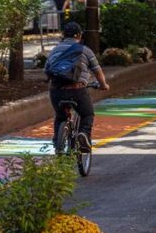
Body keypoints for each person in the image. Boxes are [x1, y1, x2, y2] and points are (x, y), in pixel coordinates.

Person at [46, 22, 110, 153]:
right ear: (80, 36)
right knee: (87, 114)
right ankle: (84, 134)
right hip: (77, 90)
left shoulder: (54, 50)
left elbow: (46, 70)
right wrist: (103, 85)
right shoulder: (84, 50)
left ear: (63, 35)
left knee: (60, 116)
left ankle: (57, 142)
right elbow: (97, 71)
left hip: (56, 91)